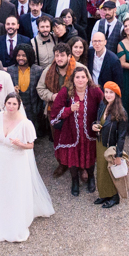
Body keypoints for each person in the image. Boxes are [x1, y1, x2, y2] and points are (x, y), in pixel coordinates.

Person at [0, 91, 55, 241]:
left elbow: (31, 145)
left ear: (19, 106)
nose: (11, 106)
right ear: (4, 103)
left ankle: (16, 221)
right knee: (0, 188)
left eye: (14, 104)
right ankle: (1, 219)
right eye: (9, 103)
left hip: (16, 160)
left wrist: (20, 144)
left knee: (15, 189)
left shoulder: (25, 123)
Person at [49, 65, 101, 198]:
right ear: (73, 79)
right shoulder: (65, 91)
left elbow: (104, 106)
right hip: (70, 132)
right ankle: (75, 181)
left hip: (89, 132)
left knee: (89, 156)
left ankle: (91, 178)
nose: (80, 80)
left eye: (83, 77)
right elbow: (55, 112)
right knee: (73, 158)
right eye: (77, 77)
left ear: (87, 78)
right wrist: (69, 109)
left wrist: (100, 123)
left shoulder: (95, 91)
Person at [92, 81, 129, 208]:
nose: (107, 95)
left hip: (110, 147)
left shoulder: (121, 113)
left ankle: (114, 197)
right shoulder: (103, 105)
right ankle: (104, 194)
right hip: (100, 143)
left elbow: (121, 136)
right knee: (101, 171)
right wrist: (94, 125)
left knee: (111, 172)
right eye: (106, 92)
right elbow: (98, 120)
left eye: (111, 93)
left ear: (116, 95)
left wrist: (118, 155)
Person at [36, 44, 74, 162]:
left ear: (69, 56)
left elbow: (89, 87)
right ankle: (62, 162)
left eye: (62, 55)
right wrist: (52, 96)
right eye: (57, 55)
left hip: (74, 109)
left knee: (76, 137)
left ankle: (80, 166)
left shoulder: (79, 68)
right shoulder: (48, 70)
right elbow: (40, 88)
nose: (59, 58)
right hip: (54, 110)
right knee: (58, 137)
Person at [10, 45, 46, 140]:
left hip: (33, 106)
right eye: (18, 55)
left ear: (29, 56)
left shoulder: (38, 70)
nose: (20, 58)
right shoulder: (10, 70)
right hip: (17, 106)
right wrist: (12, 89)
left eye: (24, 55)